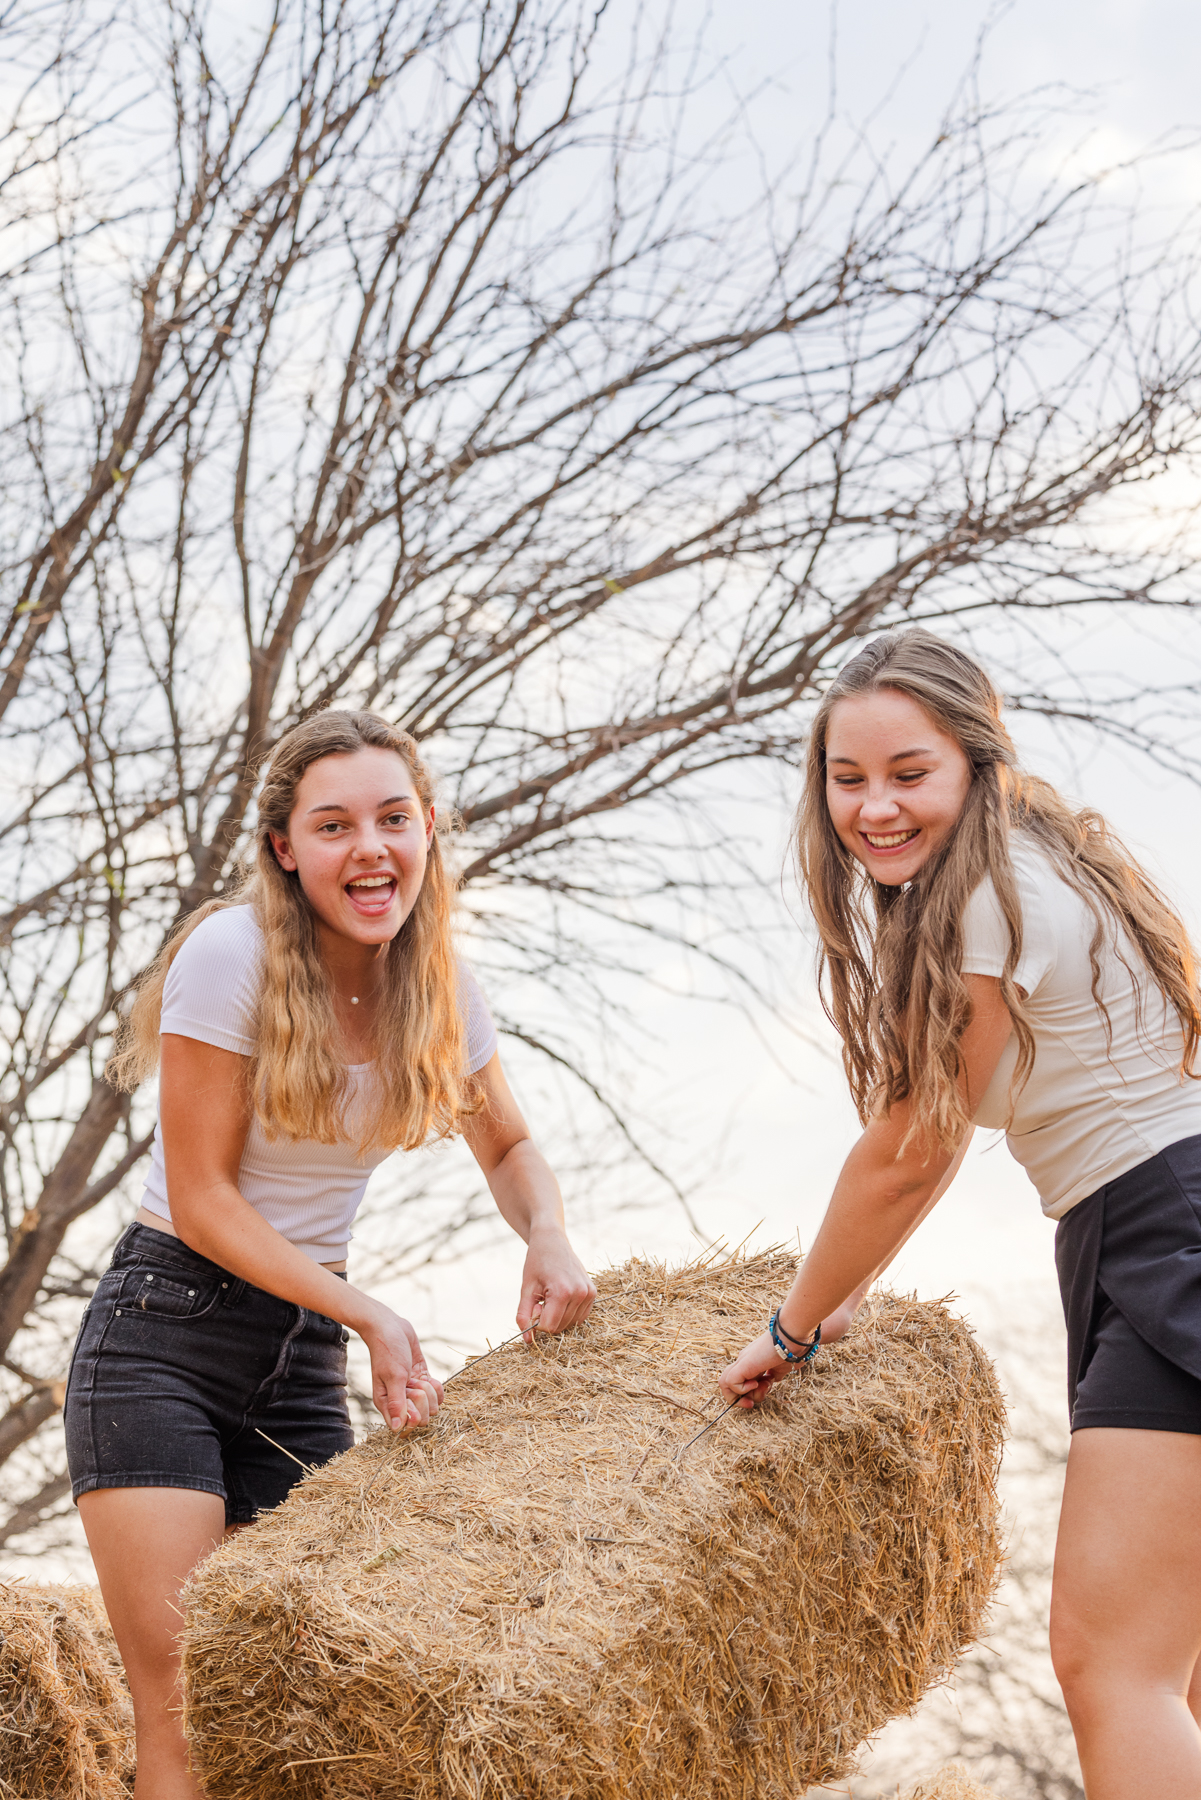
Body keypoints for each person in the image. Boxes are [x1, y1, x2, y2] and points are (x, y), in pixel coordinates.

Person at [65, 709, 596, 1800]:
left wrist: (545, 1233)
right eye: (335, 825)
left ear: (429, 829)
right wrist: (369, 1314)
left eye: (394, 819)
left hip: (298, 1361)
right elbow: (205, 1199)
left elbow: (510, 1145)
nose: (371, 849)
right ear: (284, 849)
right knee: (188, 1699)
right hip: (163, 1335)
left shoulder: (439, 985)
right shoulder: (231, 955)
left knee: (311, 1712)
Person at [719, 629, 1201, 1800]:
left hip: (1164, 1228)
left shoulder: (985, 889)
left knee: (1112, 1667)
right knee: (1176, 1677)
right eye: (848, 779)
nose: (875, 807)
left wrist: (796, 1323)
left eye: (908, 773)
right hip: (1144, 1216)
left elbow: (912, 1148)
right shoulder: (1041, 855)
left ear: (975, 764)